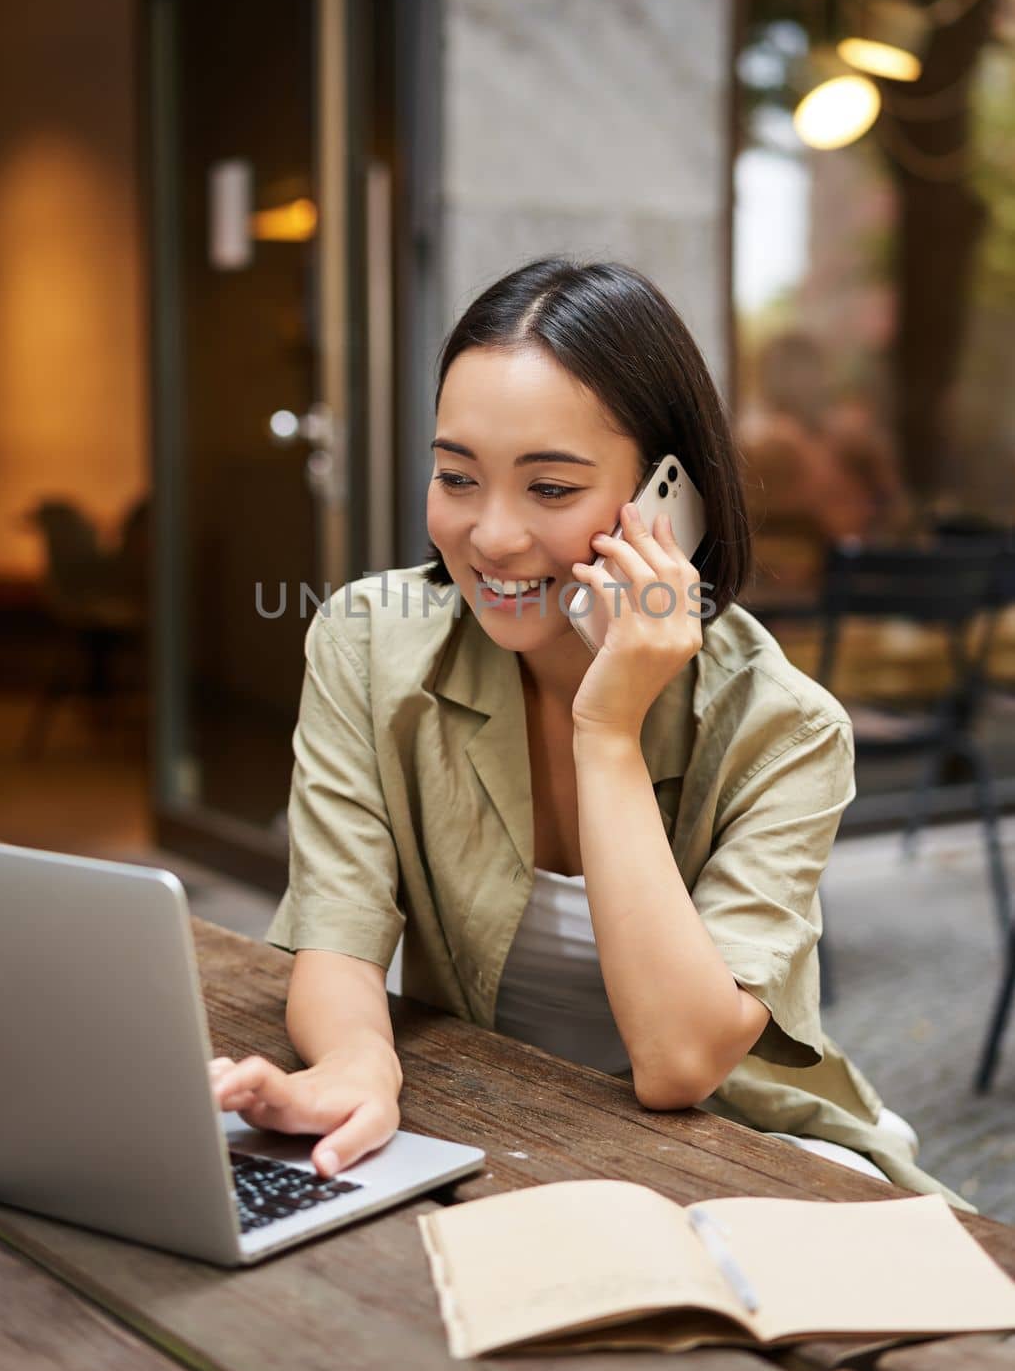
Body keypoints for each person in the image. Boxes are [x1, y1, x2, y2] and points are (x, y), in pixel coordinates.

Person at [209, 258, 971, 1211]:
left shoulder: (784, 729)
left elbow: (680, 1064)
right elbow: (340, 936)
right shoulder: (367, 644)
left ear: (668, 500)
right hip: (495, 1109)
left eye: (551, 489)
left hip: (739, 1146)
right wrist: (358, 1064)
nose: (489, 536)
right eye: (456, 476)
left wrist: (605, 728)